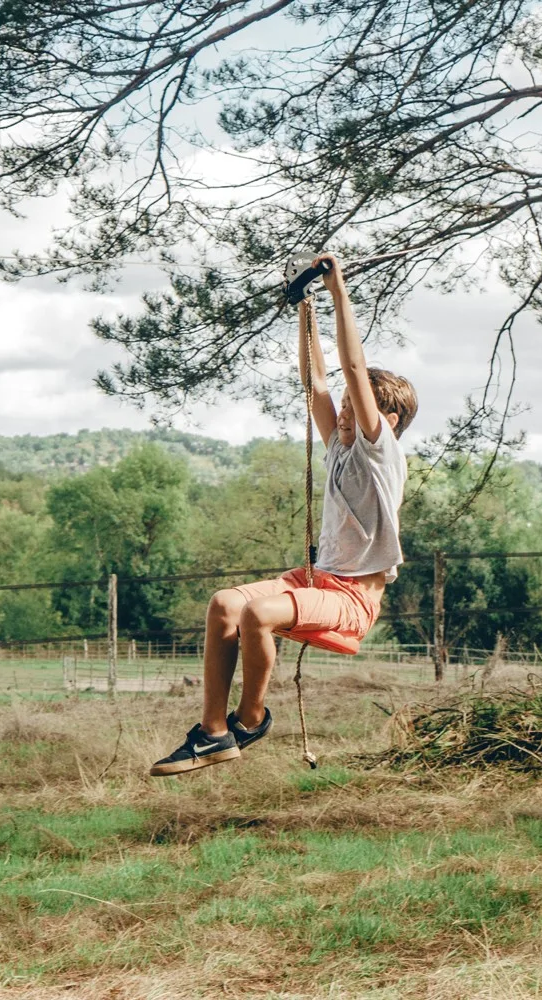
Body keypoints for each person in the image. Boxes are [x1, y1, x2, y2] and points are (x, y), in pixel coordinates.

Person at [150, 253, 418, 776]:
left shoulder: (379, 450)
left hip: (352, 601)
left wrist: (339, 291)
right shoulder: (341, 447)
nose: (343, 410)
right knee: (226, 603)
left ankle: (250, 720)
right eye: (345, 405)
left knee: (259, 614)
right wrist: (305, 306)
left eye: (356, 406)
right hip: (316, 580)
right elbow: (315, 383)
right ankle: (213, 733)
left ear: (386, 421)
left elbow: (354, 368)